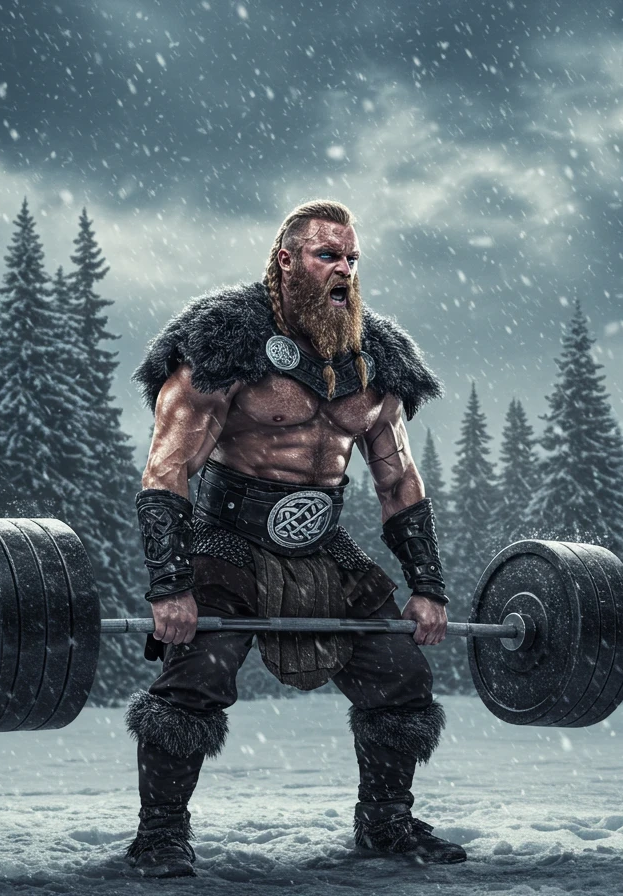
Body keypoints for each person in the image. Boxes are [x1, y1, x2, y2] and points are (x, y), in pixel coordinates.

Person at [126, 199, 465, 877]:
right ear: (286, 261)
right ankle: (159, 835)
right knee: (197, 675)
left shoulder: (375, 358)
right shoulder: (222, 343)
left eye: (351, 258)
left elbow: (398, 480)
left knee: (400, 675)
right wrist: (171, 586)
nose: (343, 270)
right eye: (326, 255)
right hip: (230, 541)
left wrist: (427, 587)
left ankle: (386, 827)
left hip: (324, 546)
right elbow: (167, 470)